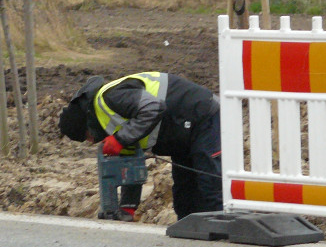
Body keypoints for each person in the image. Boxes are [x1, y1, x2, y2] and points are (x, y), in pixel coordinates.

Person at [58, 72, 223, 220]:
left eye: (87, 137)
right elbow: (131, 163)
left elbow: (153, 107)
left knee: (208, 186)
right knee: (184, 199)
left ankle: (220, 236)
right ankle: (193, 241)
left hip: (201, 114)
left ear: (87, 125)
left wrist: (120, 140)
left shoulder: (110, 97)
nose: (92, 142)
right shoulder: (112, 125)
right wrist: (127, 208)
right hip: (181, 133)